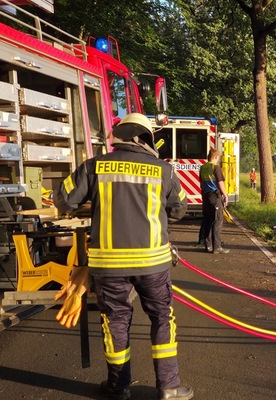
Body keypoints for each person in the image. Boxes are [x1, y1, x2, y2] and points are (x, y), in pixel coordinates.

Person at [52, 113, 193, 400]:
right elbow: (179, 210)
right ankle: (169, 386)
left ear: (120, 137)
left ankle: (118, 386)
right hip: (153, 262)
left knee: (115, 321)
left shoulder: (94, 166)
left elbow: (63, 199)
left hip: (108, 265)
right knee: (161, 318)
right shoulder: (164, 170)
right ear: (146, 139)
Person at [200, 148, 229, 254]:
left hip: (206, 196)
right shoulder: (216, 168)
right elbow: (220, 183)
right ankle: (217, 247)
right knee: (217, 220)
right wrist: (225, 195)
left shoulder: (203, 168)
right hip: (215, 196)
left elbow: (201, 183)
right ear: (216, 157)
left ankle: (208, 246)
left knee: (207, 220)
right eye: (218, 158)